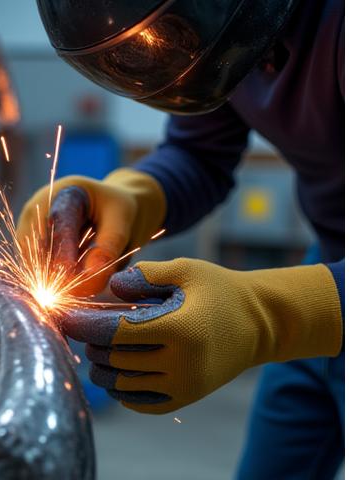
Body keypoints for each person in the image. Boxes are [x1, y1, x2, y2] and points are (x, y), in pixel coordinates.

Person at [17, 0, 345, 478]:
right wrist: (131, 197)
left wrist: (270, 314)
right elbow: (199, 152)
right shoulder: (221, 33)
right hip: (328, 266)